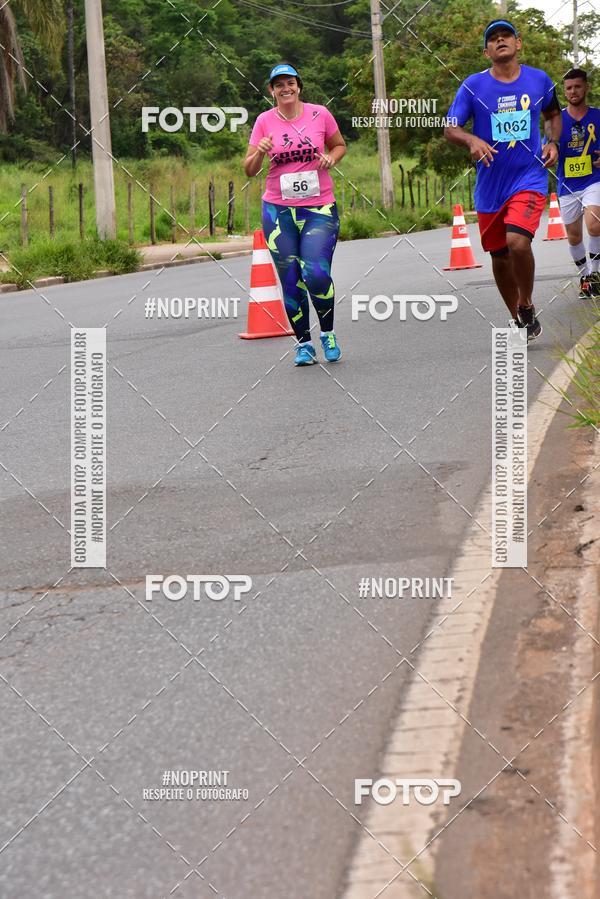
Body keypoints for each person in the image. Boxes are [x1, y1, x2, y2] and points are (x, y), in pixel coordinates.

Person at [444, 19, 562, 341]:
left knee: (517, 242)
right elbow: (450, 127)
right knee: (498, 254)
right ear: (486, 51)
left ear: (518, 43)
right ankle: (519, 317)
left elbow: (553, 114)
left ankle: (525, 303)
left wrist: (552, 142)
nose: (500, 41)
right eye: (493, 39)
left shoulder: (539, 80)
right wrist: (471, 141)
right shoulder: (472, 86)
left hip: (529, 176)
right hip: (490, 185)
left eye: (505, 36)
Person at [244, 63, 347, 365]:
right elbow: (249, 169)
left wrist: (331, 158)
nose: (285, 89)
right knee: (290, 280)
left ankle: (327, 333)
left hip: (319, 208)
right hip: (278, 211)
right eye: (279, 85)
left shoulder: (319, 114)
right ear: (271, 91)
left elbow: (339, 145)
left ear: (299, 86)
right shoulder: (264, 121)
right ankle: (303, 344)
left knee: (316, 273)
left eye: (290, 83)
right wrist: (259, 152)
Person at [556, 68, 600, 298]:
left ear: (586, 88)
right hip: (567, 185)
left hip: (595, 180)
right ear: (565, 91)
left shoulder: (598, 116)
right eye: (569, 88)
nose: (573, 91)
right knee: (574, 237)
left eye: (578, 86)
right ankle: (585, 277)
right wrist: (548, 154)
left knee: (594, 225)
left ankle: (596, 276)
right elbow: (548, 147)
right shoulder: (557, 120)